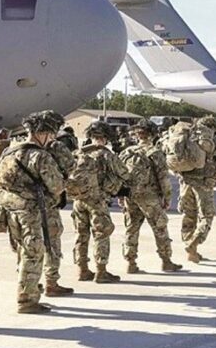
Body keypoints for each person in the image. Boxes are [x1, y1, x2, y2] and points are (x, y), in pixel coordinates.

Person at [0, 110, 66, 313]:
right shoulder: (40, 156)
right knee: (33, 253)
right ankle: (27, 300)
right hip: (31, 211)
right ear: (42, 133)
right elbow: (57, 186)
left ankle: (30, 288)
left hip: (11, 210)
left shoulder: (9, 152)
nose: (51, 138)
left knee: (23, 251)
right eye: (50, 134)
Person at [119, 119, 183, 273]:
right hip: (149, 196)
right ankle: (166, 261)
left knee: (131, 228)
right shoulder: (155, 153)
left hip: (130, 195)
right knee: (160, 227)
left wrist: (121, 196)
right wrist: (167, 197)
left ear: (137, 135)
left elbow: (120, 175)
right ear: (153, 134)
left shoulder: (127, 152)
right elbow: (163, 178)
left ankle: (130, 262)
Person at [69, 121, 128, 282]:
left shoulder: (79, 153)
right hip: (97, 200)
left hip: (78, 200)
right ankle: (101, 271)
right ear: (106, 137)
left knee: (81, 235)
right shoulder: (106, 154)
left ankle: (82, 269)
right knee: (101, 234)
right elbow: (124, 173)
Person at [178, 116, 216, 262]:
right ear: (212, 128)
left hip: (186, 183)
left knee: (189, 215)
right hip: (204, 184)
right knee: (206, 216)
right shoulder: (215, 144)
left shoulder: (187, 141)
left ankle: (191, 249)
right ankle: (193, 243)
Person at [43, 116, 76, 297]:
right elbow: (71, 167)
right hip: (49, 201)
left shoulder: (23, 148)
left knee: (30, 245)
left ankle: (29, 285)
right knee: (52, 242)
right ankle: (51, 282)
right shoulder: (57, 146)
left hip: (27, 205)